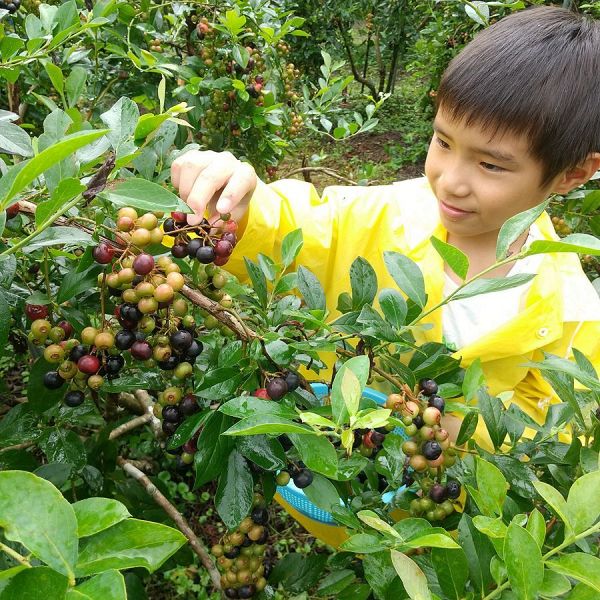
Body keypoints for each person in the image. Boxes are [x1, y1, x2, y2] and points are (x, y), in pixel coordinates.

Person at [170, 6, 600, 444]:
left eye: (490, 165)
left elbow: (560, 437)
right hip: (318, 477)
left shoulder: (574, 315)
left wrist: (458, 434)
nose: (450, 182)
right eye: (443, 141)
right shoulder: (387, 214)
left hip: (430, 510)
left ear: (572, 174)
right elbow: (304, 226)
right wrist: (242, 207)